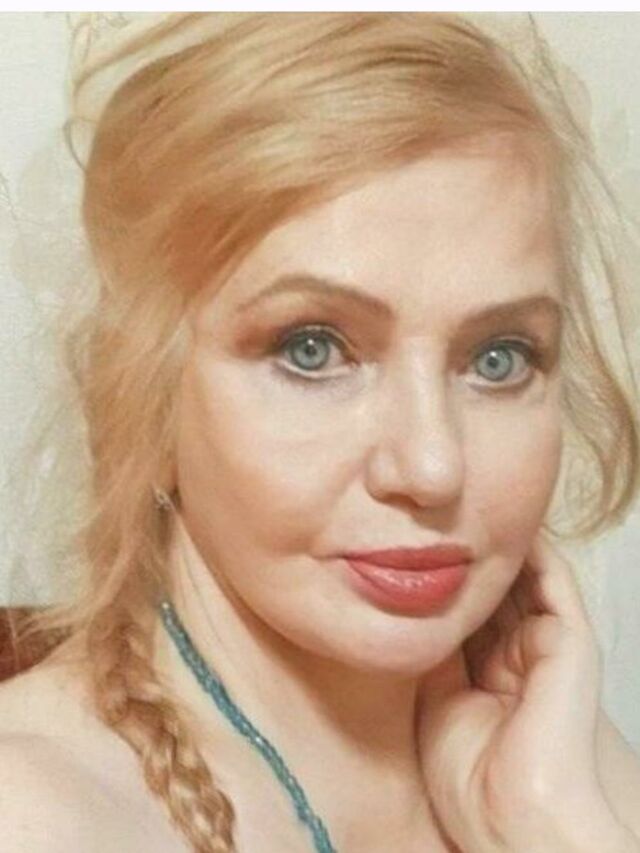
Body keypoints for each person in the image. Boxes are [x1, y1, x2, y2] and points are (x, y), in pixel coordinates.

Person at [0, 11, 639, 853]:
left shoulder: (562, 765)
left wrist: (554, 826)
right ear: (139, 393)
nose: (432, 465)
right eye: (312, 348)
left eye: (498, 358)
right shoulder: (37, 815)